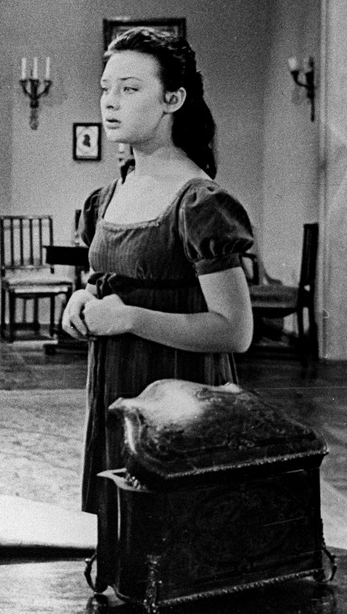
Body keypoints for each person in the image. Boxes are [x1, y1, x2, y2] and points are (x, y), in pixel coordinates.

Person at [61, 29, 254, 517]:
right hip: (114, 385)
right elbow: (106, 282)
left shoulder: (200, 202)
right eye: (106, 88)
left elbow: (235, 331)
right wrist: (84, 299)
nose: (111, 101)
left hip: (179, 395)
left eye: (130, 89)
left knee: (171, 527)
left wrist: (130, 318)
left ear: (173, 99)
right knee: (117, 523)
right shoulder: (108, 196)